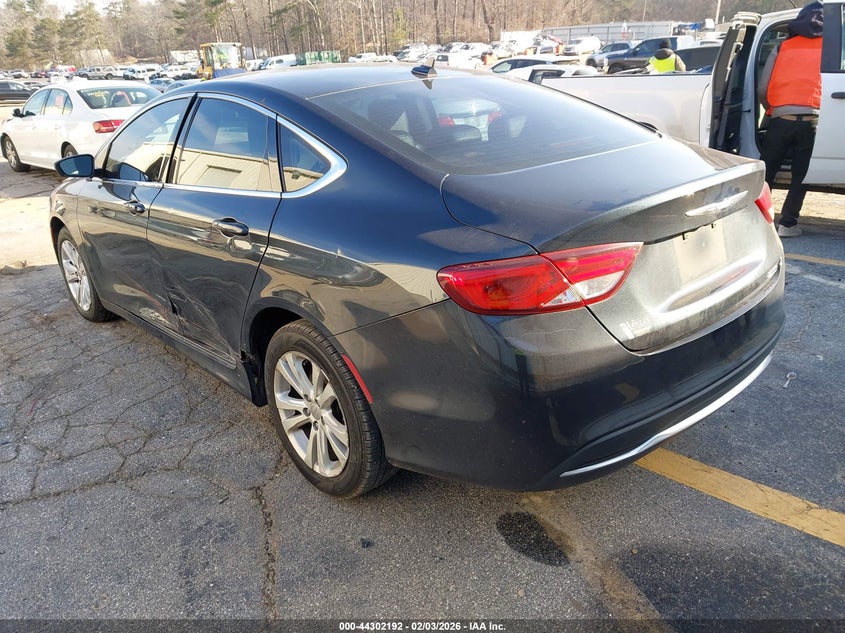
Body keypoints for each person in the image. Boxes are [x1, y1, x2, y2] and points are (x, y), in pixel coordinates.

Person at [757, 1, 824, 238]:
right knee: (802, 174)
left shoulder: (782, 48)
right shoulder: (831, 50)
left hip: (780, 118)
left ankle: (757, 220)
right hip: (813, 121)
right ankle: (788, 223)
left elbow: (763, 89)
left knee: (767, 170)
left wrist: (772, 109)